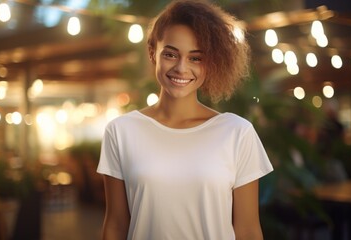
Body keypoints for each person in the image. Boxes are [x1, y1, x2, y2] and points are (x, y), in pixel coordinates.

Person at [97, 1, 273, 239]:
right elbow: (116, 225)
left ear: (210, 62)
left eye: (195, 58)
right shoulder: (121, 131)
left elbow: (248, 230)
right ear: (152, 52)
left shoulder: (237, 133)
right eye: (170, 54)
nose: (181, 68)